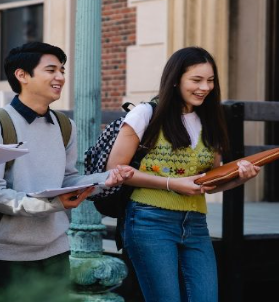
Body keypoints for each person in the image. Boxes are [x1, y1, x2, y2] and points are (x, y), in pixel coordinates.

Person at [0, 41, 135, 290]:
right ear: (22, 75)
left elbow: (67, 180)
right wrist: (51, 204)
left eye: (62, 70)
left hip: (55, 250)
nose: (60, 77)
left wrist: (104, 179)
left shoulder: (64, 125)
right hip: (2, 253)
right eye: (51, 70)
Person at [106, 46, 260, 302]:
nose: (205, 87)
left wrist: (238, 178)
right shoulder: (146, 114)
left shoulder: (210, 119)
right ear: (176, 80)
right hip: (149, 221)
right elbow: (116, 170)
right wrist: (171, 184)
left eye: (210, 80)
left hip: (196, 223)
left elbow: (206, 183)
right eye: (196, 80)